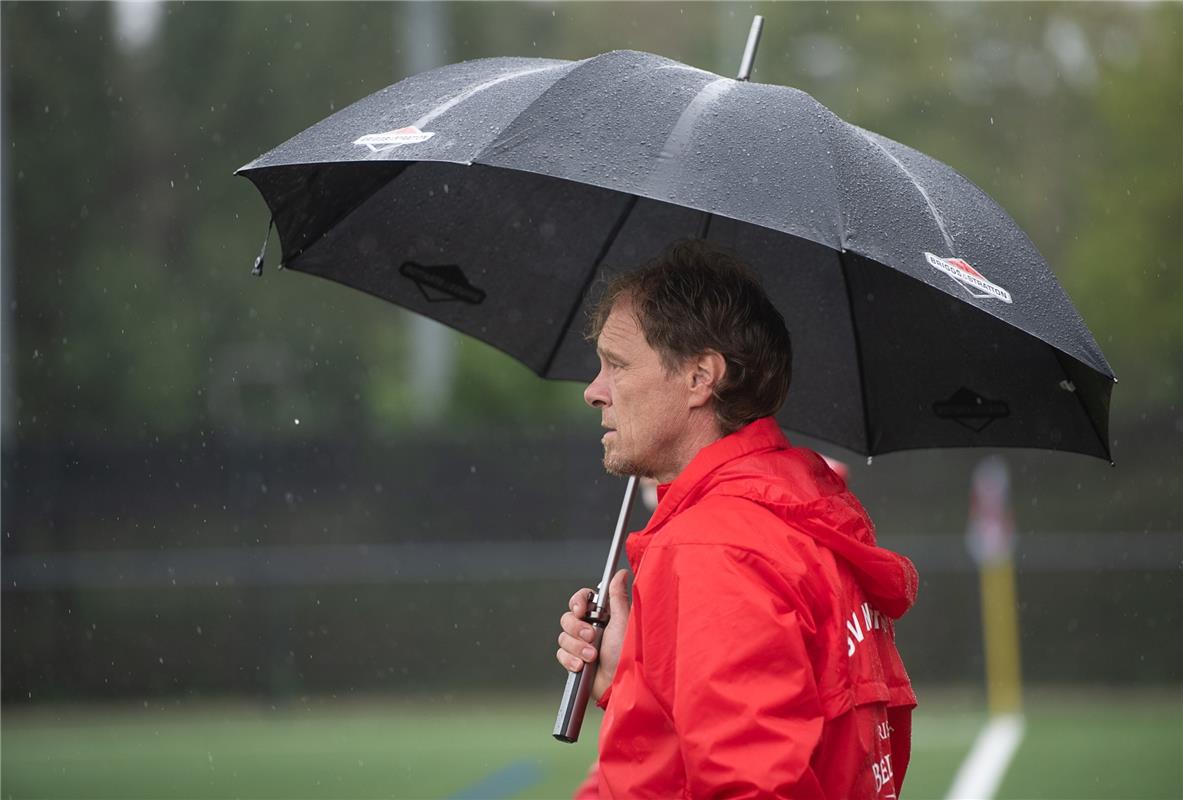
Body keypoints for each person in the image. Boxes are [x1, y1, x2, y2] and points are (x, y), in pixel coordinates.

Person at [555, 240, 918, 799]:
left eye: (617, 365)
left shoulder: (713, 548)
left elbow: (749, 786)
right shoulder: (790, 517)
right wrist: (626, 676)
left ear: (702, 376)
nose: (593, 392)